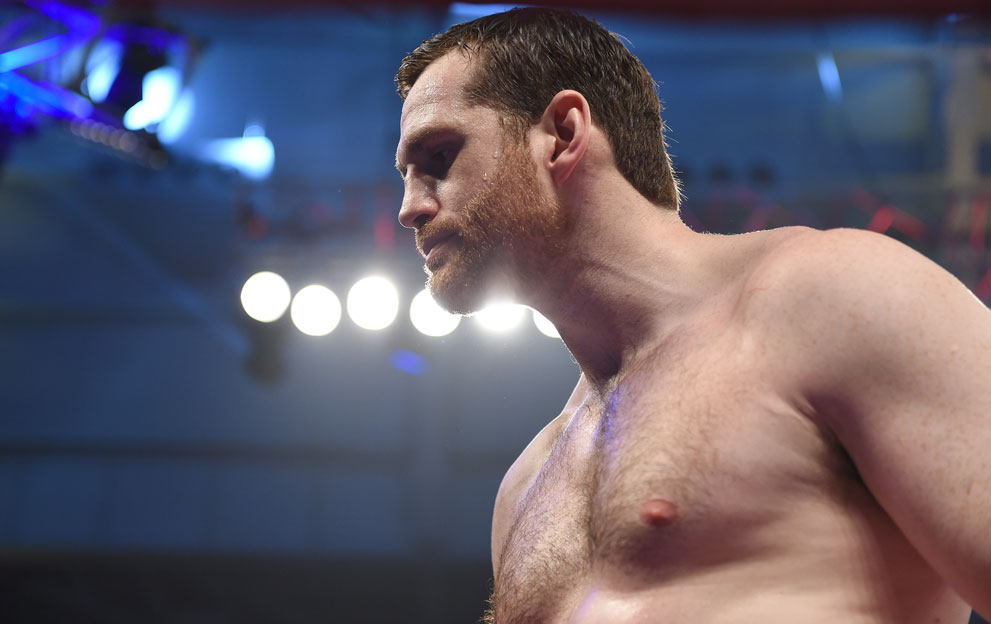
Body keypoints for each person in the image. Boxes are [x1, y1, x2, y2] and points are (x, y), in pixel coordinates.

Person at [393, 8, 991, 623]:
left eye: (439, 155)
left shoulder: (836, 297)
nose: (410, 207)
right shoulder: (525, 488)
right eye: (405, 175)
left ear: (563, 134)